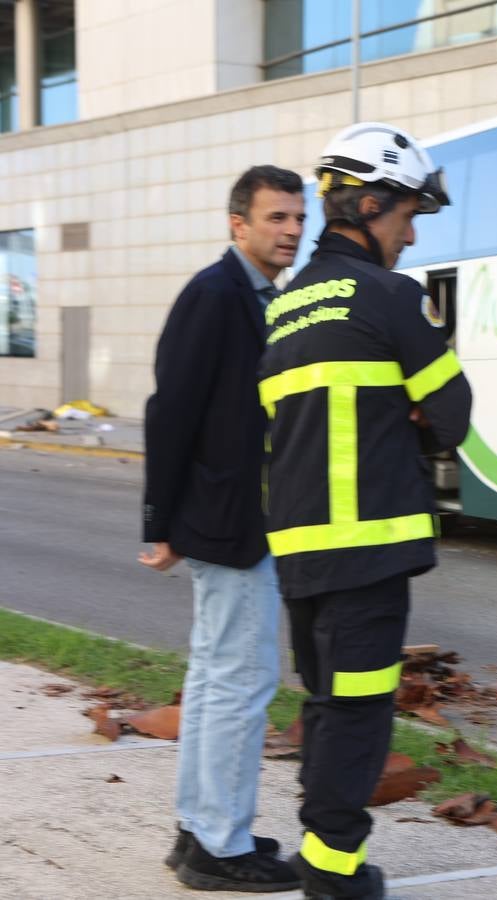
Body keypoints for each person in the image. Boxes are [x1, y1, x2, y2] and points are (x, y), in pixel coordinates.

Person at [258, 122, 472, 900]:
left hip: (300, 554)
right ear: (369, 203)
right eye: (406, 215)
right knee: (358, 711)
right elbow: (452, 415)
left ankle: (322, 850)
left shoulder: (284, 306)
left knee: (325, 703)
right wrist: (411, 406)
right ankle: (335, 872)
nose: (411, 235)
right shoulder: (389, 297)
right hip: (370, 550)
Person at [140, 165, 306, 892]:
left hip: (237, 519)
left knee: (214, 680)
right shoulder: (215, 294)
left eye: (298, 218)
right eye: (276, 218)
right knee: (242, 681)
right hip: (229, 524)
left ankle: (201, 827)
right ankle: (220, 846)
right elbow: (169, 410)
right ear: (237, 224)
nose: (292, 230)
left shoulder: (262, 297)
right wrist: (160, 521)